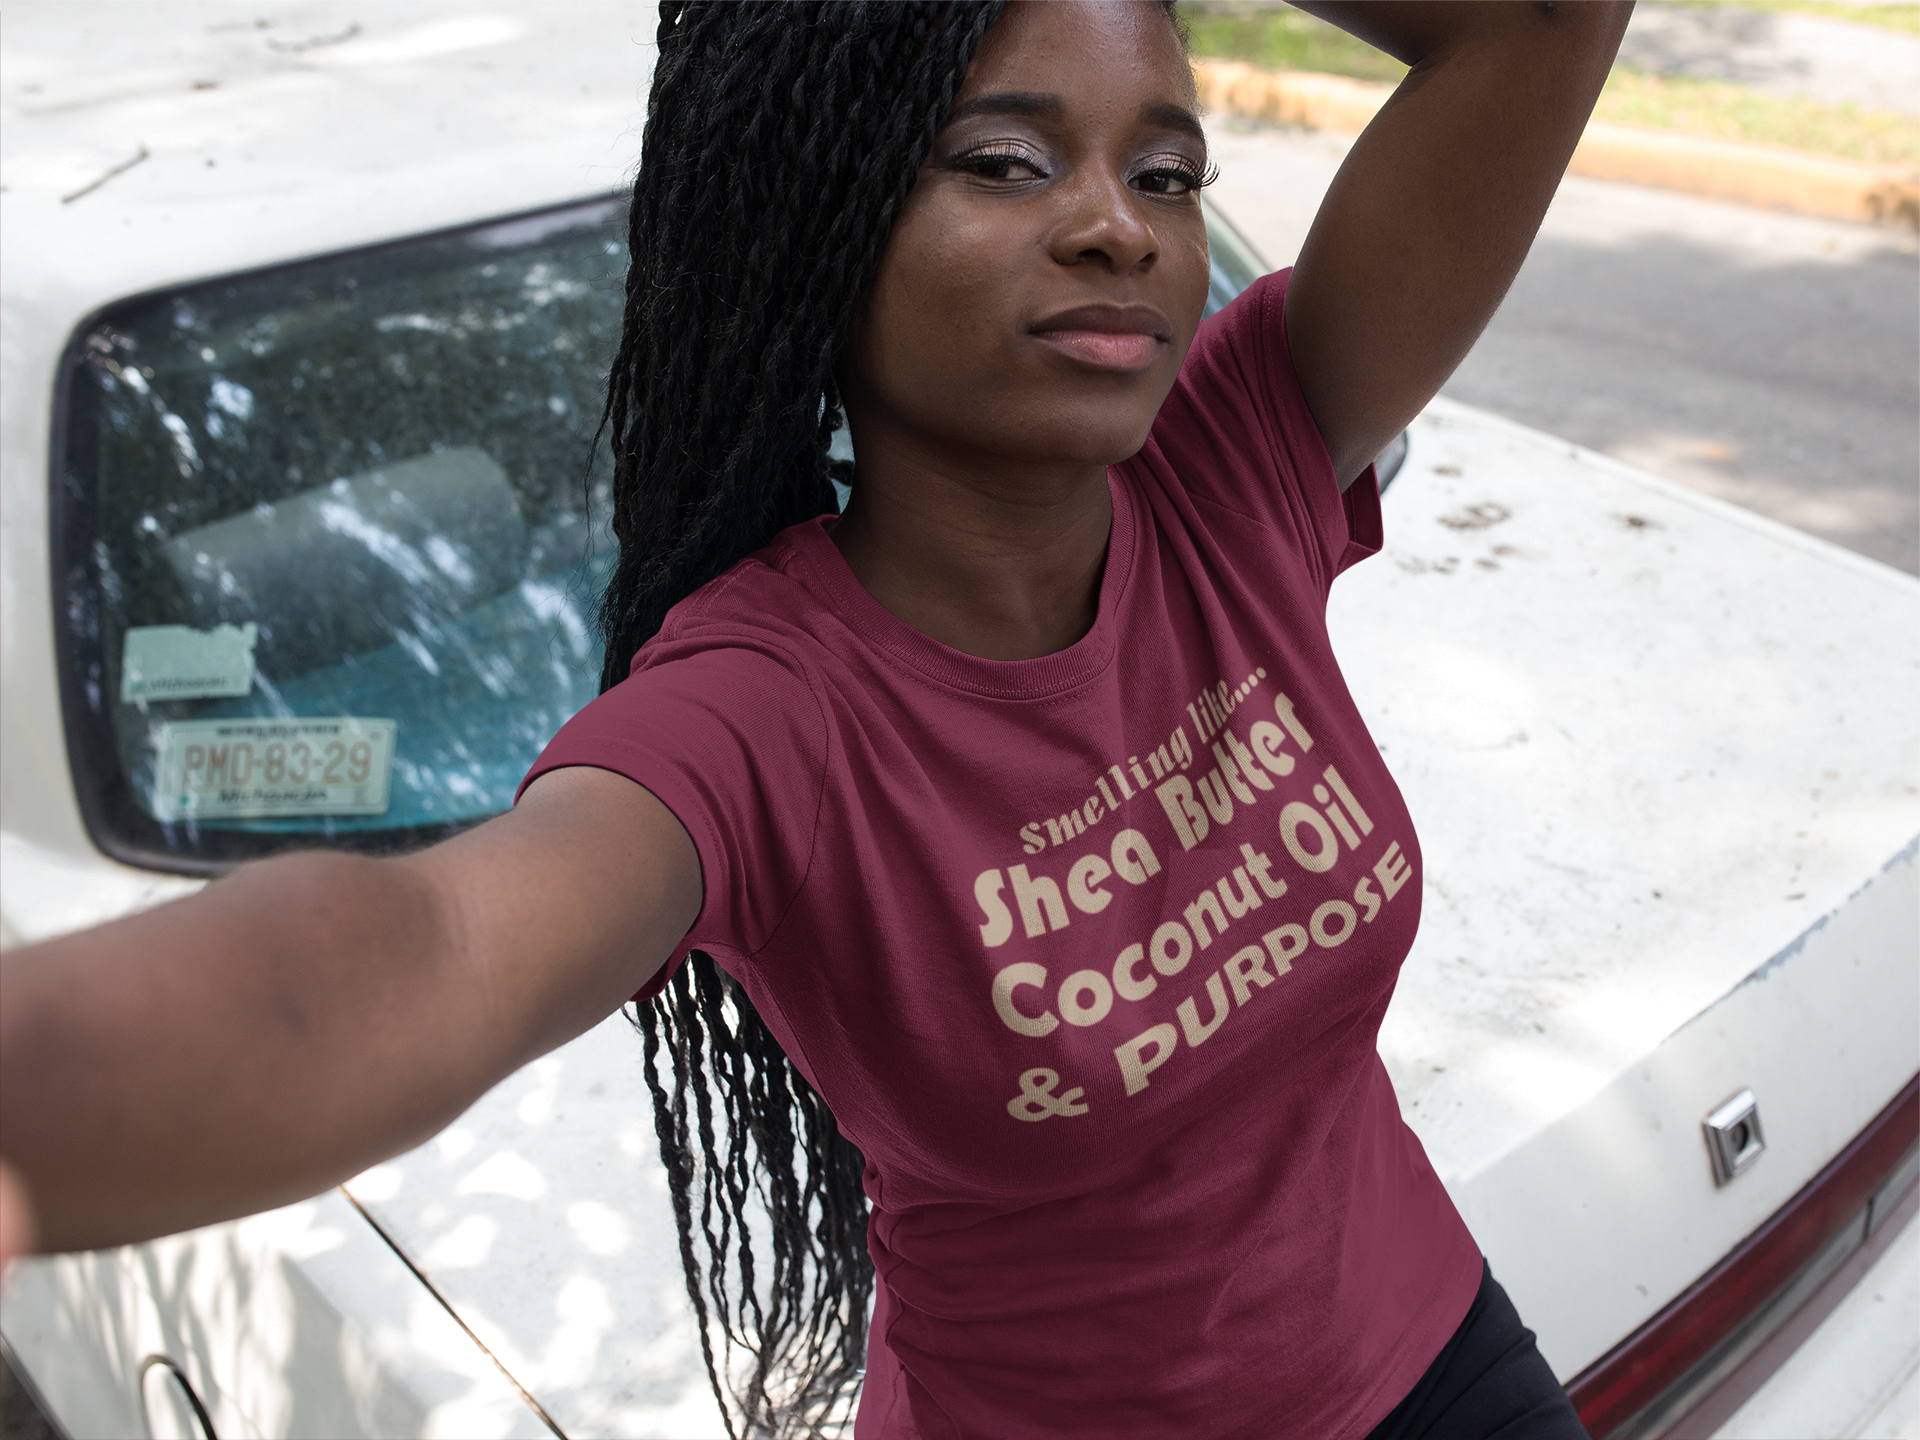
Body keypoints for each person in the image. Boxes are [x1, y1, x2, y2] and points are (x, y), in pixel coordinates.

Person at [0, 0, 1632, 1433]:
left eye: (1167, 171)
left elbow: (1541, 25)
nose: (1117, 227)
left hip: (1436, 1364)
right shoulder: (766, 709)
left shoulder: (1239, 471)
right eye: (1004, 161)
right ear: (820, 223)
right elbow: (416, 957)